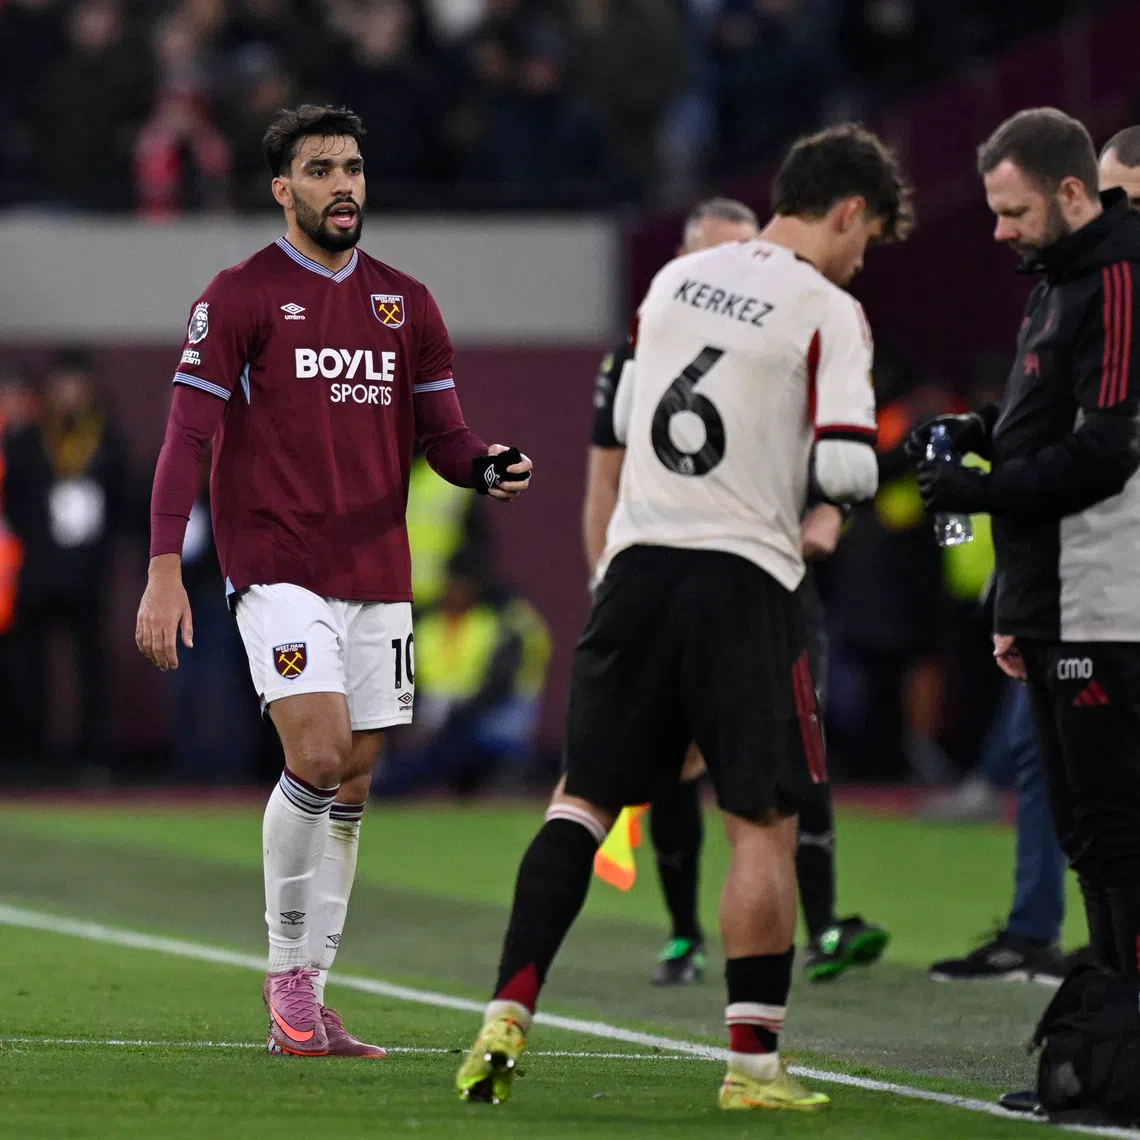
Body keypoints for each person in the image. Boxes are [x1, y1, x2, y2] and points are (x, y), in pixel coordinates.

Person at [457, 123, 911, 1112]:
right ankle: (752, 1066)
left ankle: (506, 1012)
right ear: (845, 210)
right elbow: (840, 472)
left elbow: (625, 444)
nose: (862, 257)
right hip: (744, 579)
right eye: (867, 236)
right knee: (761, 821)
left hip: (636, 569)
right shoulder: (830, 307)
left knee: (581, 802)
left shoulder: (671, 285)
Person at [136, 104, 532, 1059]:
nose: (343, 185)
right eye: (320, 170)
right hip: (276, 565)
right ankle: (284, 977)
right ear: (283, 189)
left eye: (353, 167)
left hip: (376, 574)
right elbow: (186, 435)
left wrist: (484, 466)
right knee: (315, 754)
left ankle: (311, 997)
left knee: (353, 778)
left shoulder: (407, 303)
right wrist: (161, 571)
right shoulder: (238, 296)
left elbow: (444, 437)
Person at [584, 196, 888, 986]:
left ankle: (819, 928)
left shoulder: (797, 327)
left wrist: (826, 517)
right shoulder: (640, 348)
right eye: (720, 252)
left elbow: (832, 456)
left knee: (793, 751)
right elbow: (602, 482)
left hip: (767, 575)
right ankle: (687, 935)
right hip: (677, 571)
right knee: (674, 767)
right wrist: (606, 585)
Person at [909, 108, 1140, 1109]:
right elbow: (1053, 424)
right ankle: (1108, 1045)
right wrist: (980, 432)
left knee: (1114, 830)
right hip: (1058, 602)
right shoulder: (1057, 284)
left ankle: (1122, 1055)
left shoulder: (1118, 279)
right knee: (1092, 834)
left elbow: (1106, 451)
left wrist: (979, 492)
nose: (996, 230)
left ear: (1075, 193)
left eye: (1012, 210)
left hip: (1107, 602)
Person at [2, 350, 128, 767]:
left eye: (77, 385)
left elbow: (123, 507)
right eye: (62, 386)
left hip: (87, 576)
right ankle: (32, 754)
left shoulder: (107, 440)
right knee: (30, 669)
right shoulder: (27, 441)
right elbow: (14, 504)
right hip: (37, 574)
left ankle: (91, 758)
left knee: (92, 670)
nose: (69, 395)